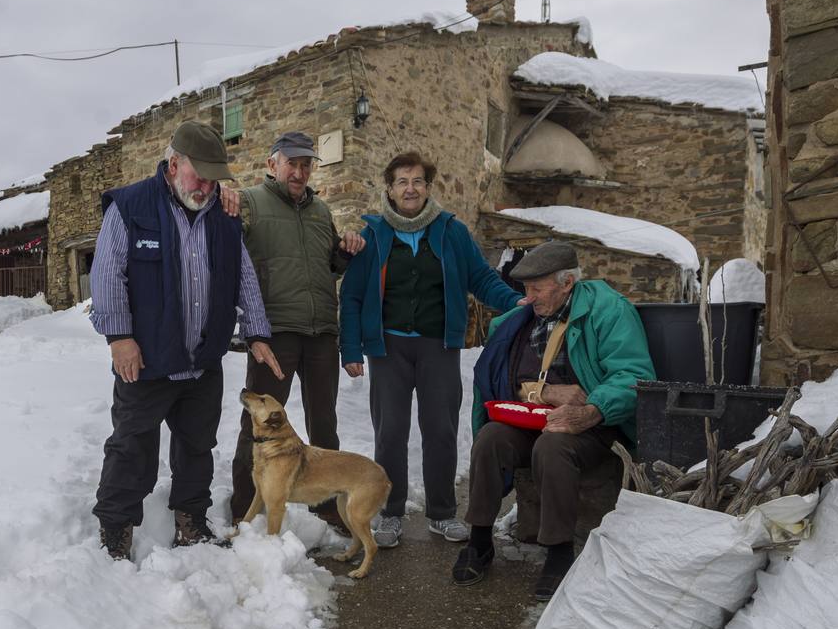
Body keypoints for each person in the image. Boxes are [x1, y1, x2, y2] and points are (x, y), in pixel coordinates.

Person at [89, 120, 284, 561]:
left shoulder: (223, 213)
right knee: (132, 445)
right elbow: (106, 275)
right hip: (147, 358)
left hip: (202, 359)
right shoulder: (130, 206)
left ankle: (190, 522)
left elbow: (244, 277)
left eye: (216, 180)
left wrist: (256, 332)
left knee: (197, 445)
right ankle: (116, 529)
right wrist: (120, 337)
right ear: (174, 163)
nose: (207, 187)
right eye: (200, 176)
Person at [338, 151, 522, 549]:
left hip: (439, 345)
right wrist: (351, 347)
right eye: (402, 181)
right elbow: (351, 297)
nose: (410, 188)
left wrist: (515, 302)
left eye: (417, 181)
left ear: (427, 187)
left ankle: (441, 513)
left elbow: (481, 278)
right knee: (390, 434)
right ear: (389, 188)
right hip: (388, 348)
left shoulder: (450, 231)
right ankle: (389, 512)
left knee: (441, 429)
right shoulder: (373, 236)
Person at [452, 240, 656, 598]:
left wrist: (591, 409)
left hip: (594, 425)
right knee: (490, 439)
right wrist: (542, 393)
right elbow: (504, 381)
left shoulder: (608, 312)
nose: (527, 298)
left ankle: (559, 552)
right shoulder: (519, 322)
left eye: (536, 289)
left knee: (553, 446)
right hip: (531, 419)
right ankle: (480, 539)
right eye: (525, 289)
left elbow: (633, 376)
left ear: (567, 283)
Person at [229, 131, 366, 528]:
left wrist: (344, 253)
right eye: (293, 162)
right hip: (275, 332)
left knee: (324, 421)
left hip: (322, 329)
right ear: (273, 164)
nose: (300, 171)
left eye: (307, 164)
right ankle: (244, 509)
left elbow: (329, 268)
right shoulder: (251, 203)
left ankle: (325, 504)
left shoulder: (321, 211)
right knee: (256, 423)